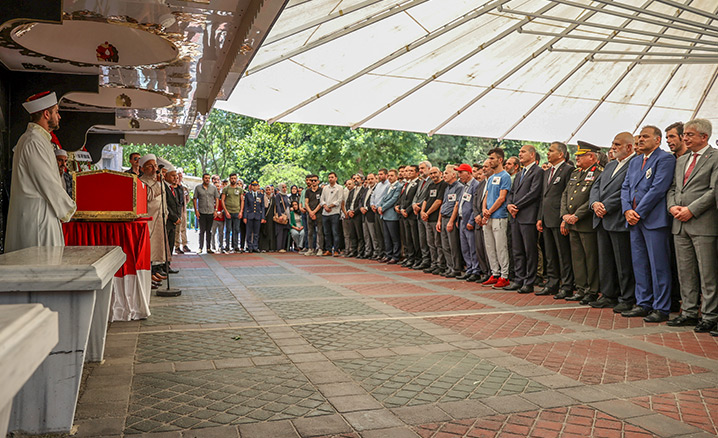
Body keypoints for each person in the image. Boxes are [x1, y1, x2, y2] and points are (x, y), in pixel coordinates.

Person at [5, 91, 76, 252]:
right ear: (46, 114)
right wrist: (70, 209)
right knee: (41, 262)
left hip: (42, 215)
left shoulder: (39, 139)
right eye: (56, 112)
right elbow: (48, 182)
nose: (59, 116)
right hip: (37, 220)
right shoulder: (33, 141)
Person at [666, 119, 718, 332]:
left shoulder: (715, 157)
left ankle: (709, 315)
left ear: (704, 137)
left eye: (689, 134)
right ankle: (688, 312)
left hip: (703, 224)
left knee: (707, 274)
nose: (684, 138)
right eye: (684, 134)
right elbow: (672, 188)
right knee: (685, 272)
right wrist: (672, 207)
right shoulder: (682, 160)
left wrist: (691, 210)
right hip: (679, 224)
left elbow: (713, 191)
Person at [620, 126, 676, 322]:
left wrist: (638, 212)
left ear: (657, 140)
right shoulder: (635, 161)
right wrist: (627, 210)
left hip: (653, 220)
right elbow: (625, 187)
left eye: (646, 136)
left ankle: (661, 307)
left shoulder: (665, 159)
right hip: (634, 221)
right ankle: (643, 303)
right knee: (640, 264)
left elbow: (658, 188)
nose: (641, 139)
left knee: (658, 266)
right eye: (640, 137)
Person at [589, 133, 636, 310]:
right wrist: (595, 203)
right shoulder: (610, 165)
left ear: (629, 147)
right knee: (606, 261)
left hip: (617, 218)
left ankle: (626, 298)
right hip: (601, 218)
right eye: (613, 144)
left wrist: (606, 206)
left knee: (623, 263)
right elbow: (595, 186)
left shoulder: (635, 163)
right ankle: (608, 295)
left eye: (617, 144)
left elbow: (627, 190)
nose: (613, 147)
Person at [561, 142, 602, 304]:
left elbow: (593, 197)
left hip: (585, 222)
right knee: (577, 258)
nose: (576, 158)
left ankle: (592, 290)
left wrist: (577, 215)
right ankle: (581, 288)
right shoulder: (576, 173)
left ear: (591, 156)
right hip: (572, 223)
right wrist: (565, 215)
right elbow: (565, 195)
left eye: (580, 155)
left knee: (590, 259)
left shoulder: (598, 173)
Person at [506, 145, 544, 293]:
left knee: (530, 251)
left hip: (528, 216)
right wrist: (509, 205)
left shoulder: (538, 171)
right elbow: (512, 192)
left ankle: (529, 281)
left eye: (523, 152)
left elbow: (534, 193)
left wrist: (516, 206)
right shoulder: (520, 173)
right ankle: (519, 279)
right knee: (517, 250)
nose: (520, 154)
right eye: (519, 152)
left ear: (532, 154)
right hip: (515, 216)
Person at [481, 148, 512, 288]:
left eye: (492, 158)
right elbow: (486, 195)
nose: (490, 161)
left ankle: (504, 276)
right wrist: (484, 211)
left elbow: (502, 198)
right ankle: (495, 273)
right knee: (490, 247)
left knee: (501, 247)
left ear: (500, 160)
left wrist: (489, 211)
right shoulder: (491, 178)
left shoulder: (505, 176)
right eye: (489, 158)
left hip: (499, 216)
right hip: (488, 216)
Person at [139, 155, 171, 284]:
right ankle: (147, 276)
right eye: (150, 166)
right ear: (142, 169)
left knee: (157, 249)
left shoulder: (158, 181)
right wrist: (158, 183)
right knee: (149, 248)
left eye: (155, 166)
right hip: (148, 220)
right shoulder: (141, 182)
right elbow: (149, 196)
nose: (154, 169)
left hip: (159, 219)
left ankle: (153, 272)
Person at [454, 163, 480, 281]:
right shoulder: (464, 186)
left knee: (472, 246)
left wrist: (471, 221)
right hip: (461, 220)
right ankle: (469, 269)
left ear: (468, 173)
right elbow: (460, 203)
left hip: (469, 221)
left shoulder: (475, 185)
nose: (459, 175)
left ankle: (475, 270)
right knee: (465, 247)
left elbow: (475, 205)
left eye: (461, 172)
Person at [437, 165, 463, 277]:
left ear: (453, 175)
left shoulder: (459, 187)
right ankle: (449, 266)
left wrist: (451, 221)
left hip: (450, 218)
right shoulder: (447, 187)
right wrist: (439, 220)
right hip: (443, 218)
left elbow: (456, 205)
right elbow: (443, 204)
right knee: (445, 245)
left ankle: (456, 268)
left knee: (453, 245)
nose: (444, 175)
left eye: (446, 173)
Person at [423, 167, 447, 274]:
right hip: (427, 219)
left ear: (440, 173)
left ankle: (440, 264)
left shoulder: (443, 185)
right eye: (431, 174)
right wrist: (422, 211)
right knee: (430, 243)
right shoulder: (430, 185)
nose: (433, 175)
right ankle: (433, 264)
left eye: (435, 173)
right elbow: (425, 200)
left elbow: (438, 202)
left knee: (438, 243)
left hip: (436, 218)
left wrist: (427, 213)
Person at [472, 161, 492, 283]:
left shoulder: (493, 182)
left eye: (486, 167)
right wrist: (476, 215)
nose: (484, 169)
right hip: (478, 221)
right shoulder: (481, 184)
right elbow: (475, 202)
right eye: (483, 167)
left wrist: (481, 215)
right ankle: (485, 272)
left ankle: (492, 272)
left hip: (487, 219)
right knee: (479, 248)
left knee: (488, 249)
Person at [378, 169, 402, 263]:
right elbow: (383, 198)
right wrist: (379, 206)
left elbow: (394, 199)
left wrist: (383, 207)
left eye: (392, 176)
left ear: (396, 176)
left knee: (394, 237)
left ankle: (395, 256)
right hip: (384, 215)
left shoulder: (398, 186)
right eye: (389, 176)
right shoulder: (389, 186)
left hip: (392, 215)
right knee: (387, 237)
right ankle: (388, 254)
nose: (390, 177)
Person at [412, 161, 433, 270]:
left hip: (426, 213)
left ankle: (431, 261)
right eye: (420, 168)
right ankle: (425, 259)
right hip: (418, 213)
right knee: (422, 239)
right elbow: (416, 195)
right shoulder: (421, 182)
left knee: (429, 240)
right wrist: (414, 204)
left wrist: (419, 206)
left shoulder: (431, 181)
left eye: (423, 168)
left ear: (429, 168)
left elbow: (427, 197)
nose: (420, 170)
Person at [398, 165, 420, 267]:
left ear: (417, 173)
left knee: (414, 238)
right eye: (408, 171)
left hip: (411, 215)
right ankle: (409, 257)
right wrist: (401, 208)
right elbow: (403, 198)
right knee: (407, 238)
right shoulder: (407, 184)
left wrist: (407, 210)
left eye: (411, 171)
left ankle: (417, 258)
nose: (409, 173)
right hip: (404, 214)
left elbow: (415, 199)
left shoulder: (418, 183)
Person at [194, 173, 219, 254]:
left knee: (209, 231)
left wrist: (216, 210)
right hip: (202, 212)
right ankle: (200, 247)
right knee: (202, 231)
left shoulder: (213, 188)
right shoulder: (198, 188)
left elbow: (217, 198)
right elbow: (194, 199)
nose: (207, 179)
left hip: (211, 212)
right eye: (206, 178)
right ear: (203, 179)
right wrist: (196, 210)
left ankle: (208, 248)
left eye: (208, 178)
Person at [164, 164, 182, 274]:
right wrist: (174, 218)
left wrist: (178, 217)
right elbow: (166, 205)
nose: (175, 178)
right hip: (168, 220)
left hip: (174, 221)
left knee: (171, 244)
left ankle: (167, 265)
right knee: (165, 245)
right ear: (166, 176)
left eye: (176, 176)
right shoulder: (164, 187)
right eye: (172, 175)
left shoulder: (173, 188)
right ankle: (162, 267)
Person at [320, 172, 343, 256]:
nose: (330, 179)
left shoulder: (339, 188)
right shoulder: (325, 188)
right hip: (325, 213)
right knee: (326, 233)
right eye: (329, 177)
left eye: (332, 177)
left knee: (335, 232)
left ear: (336, 178)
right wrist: (325, 206)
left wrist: (330, 206)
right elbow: (321, 199)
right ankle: (328, 249)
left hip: (335, 212)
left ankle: (336, 250)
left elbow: (340, 200)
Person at [221, 173, 245, 253]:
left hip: (237, 211)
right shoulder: (226, 189)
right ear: (229, 179)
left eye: (235, 178)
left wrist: (241, 211)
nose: (233, 180)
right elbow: (222, 200)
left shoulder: (240, 189)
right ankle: (227, 246)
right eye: (232, 178)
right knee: (228, 229)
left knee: (236, 229)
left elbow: (242, 200)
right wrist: (226, 211)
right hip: (228, 211)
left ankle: (235, 246)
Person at [370, 169, 389, 259]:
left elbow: (385, 197)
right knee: (378, 233)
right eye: (378, 174)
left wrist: (379, 206)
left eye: (381, 174)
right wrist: (372, 205)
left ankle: (386, 252)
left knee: (384, 233)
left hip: (383, 211)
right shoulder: (378, 185)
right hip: (376, 211)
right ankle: (380, 252)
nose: (379, 176)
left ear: (386, 175)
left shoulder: (388, 185)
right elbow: (373, 196)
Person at [304, 174, 324, 256]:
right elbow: (306, 203)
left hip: (319, 213)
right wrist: (310, 212)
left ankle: (320, 248)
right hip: (310, 213)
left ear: (318, 181)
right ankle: (310, 248)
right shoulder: (308, 191)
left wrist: (314, 212)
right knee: (310, 232)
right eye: (312, 180)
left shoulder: (321, 190)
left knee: (319, 231)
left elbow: (321, 202)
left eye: (315, 180)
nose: (313, 182)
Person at [360, 173, 378, 259]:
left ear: (375, 179)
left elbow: (374, 201)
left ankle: (376, 252)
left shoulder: (376, 189)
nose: (370, 181)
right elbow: (361, 200)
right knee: (366, 235)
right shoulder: (366, 189)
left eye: (372, 179)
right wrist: (361, 207)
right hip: (364, 215)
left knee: (373, 235)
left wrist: (366, 208)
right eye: (368, 179)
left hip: (371, 214)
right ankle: (368, 251)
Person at [243, 181, 265, 252]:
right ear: (251, 186)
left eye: (256, 185)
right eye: (253, 185)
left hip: (258, 215)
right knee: (249, 232)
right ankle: (249, 247)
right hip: (250, 215)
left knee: (256, 233)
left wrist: (263, 217)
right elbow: (246, 206)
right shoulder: (248, 195)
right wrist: (245, 217)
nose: (254, 187)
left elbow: (262, 206)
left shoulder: (261, 195)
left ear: (258, 186)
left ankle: (255, 246)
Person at [174, 169, 190, 254]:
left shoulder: (184, 187)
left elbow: (187, 198)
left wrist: (184, 204)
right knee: (177, 229)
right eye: (178, 176)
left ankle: (184, 244)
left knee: (183, 227)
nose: (180, 178)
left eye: (181, 176)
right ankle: (177, 246)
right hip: (176, 211)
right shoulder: (173, 187)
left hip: (183, 210)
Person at [274, 183, 291, 252]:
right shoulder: (278, 196)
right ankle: (279, 247)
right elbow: (277, 205)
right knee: (280, 232)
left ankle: (283, 247)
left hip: (287, 217)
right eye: (283, 187)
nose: (284, 189)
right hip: (281, 216)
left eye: (285, 187)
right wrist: (280, 215)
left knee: (285, 231)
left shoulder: (286, 196)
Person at [260, 185, 276, 252]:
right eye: (266, 190)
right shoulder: (263, 198)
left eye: (269, 190)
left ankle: (271, 247)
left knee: (271, 232)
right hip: (265, 216)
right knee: (264, 231)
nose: (268, 191)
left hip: (271, 217)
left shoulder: (273, 198)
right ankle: (264, 247)